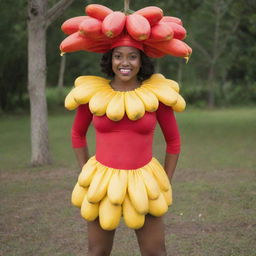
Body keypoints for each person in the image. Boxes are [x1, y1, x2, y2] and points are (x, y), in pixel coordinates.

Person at [68, 35, 182, 256]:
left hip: (146, 182)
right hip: (103, 182)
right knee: (97, 252)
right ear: (110, 60)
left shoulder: (155, 95)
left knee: (155, 252)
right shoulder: (93, 94)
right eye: (118, 56)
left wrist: (165, 182)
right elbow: (77, 133)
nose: (125, 62)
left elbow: (174, 141)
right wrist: (86, 172)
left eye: (132, 56)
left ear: (141, 61)